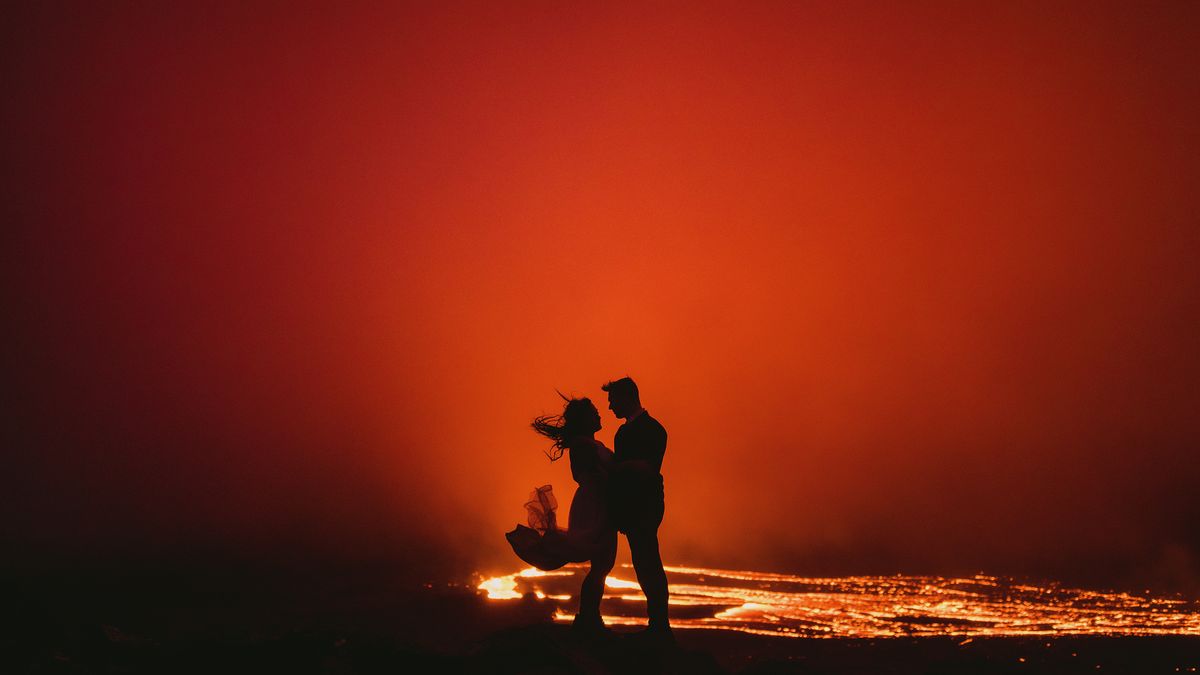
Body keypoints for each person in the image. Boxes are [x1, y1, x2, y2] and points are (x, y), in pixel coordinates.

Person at [505, 395, 618, 634]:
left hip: (598, 501)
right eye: (594, 412)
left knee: (602, 563)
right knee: (601, 562)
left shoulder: (588, 443)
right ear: (585, 419)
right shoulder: (582, 445)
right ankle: (588, 618)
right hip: (593, 503)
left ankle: (589, 617)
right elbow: (594, 475)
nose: (599, 415)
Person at [603, 376, 672, 640]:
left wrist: (617, 468)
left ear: (627, 397)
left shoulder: (653, 430)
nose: (610, 407)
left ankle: (659, 625)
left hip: (645, 506)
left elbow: (647, 469)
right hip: (634, 507)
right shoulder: (628, 431)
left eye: (613, 400)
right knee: (644, 563)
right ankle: (657, 623)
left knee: (648, 563)